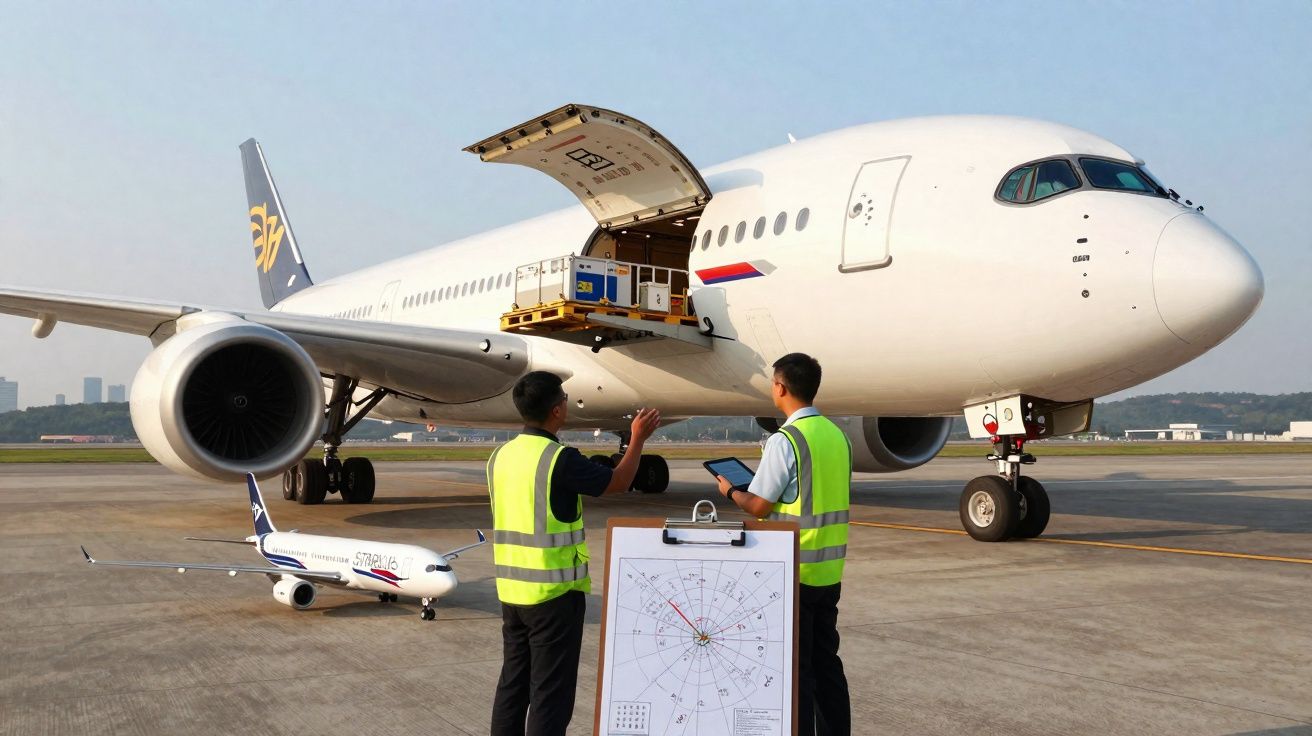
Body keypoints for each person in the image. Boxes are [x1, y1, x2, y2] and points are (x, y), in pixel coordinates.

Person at [488, 370, 660, 736]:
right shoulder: (558, 459)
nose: (567, 403)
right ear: (556, 410)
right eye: (564, 399)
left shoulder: (500, 456)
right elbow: (618, 482)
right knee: (550, 695)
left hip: (511, 591)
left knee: (513, 685)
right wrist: (637, 440)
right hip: (553, 596)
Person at [716, 353, 851, 736]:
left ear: (780, 387)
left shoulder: (786, 439)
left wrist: (731, 492)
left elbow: (759, 505)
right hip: (829, 571)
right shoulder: (837, 435)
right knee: (827, 665)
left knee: (797, 672)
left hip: (794, 572)